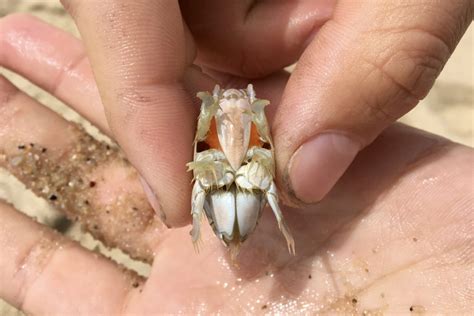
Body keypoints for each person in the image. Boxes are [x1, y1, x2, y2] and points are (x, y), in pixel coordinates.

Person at [0, 1, 472, 314]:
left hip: (245, 183)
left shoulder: (254, 120)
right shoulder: (216, 119)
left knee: (246, 175)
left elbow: (258, 140)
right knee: (207, 172)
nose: (230, 107)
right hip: (224, 184)